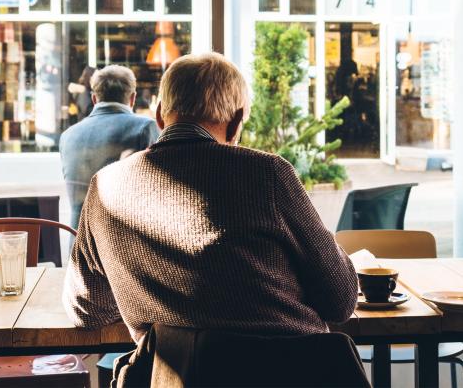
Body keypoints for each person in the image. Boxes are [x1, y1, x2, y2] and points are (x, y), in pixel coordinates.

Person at [63, 52, 358, 345]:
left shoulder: (105, 186)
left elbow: (86, 310)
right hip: (292, 373)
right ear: (236, 122)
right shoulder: (268, 174)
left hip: (173, 377)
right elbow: (341, 300)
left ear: (160, 115)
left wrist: (146, 291)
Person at [59, 65, 159, 230]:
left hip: (78, 245)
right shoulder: (145, 128)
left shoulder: (68, 135)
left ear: (94, 99)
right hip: (123, 246)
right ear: (133, 98)